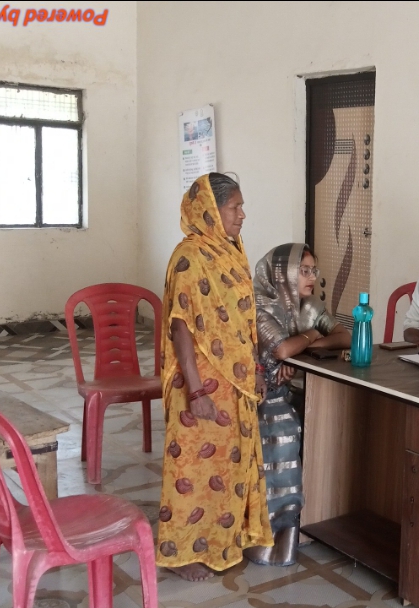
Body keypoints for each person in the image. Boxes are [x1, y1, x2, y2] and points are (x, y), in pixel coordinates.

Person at [157, 173, 271, 582]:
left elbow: (242, 321)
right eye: (234, 207)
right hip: (201, 384)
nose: (242, 215)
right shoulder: (189, 257)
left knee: (229, 468)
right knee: (192, 470)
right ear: (210, 210)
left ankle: (222, 541)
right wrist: (195, 391)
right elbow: (181, 326)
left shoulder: (231, 251)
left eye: (241, 206)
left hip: (235, 382)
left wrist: (255, 369)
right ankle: (182, 553)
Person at [245, 243, 351, 566]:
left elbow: (344, 336)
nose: (312, 277)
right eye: (304, 270)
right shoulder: (260, 306)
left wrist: (303, 344)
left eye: (313, 270)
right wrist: (307, 339)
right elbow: (280, 351)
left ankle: (309, 519)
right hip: (255, 396)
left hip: (287, 391)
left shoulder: (308, 306)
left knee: (327, 418)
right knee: (283, 429)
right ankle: (267, 538)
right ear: (282, 274)